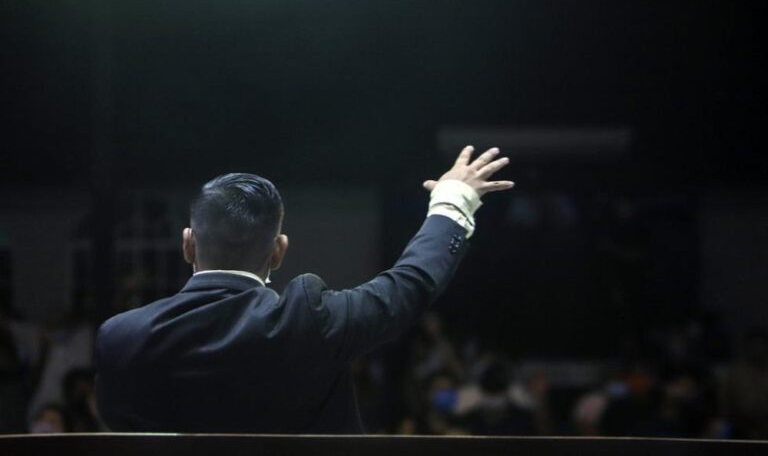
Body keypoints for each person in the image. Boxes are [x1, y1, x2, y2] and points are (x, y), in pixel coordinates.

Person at [94, 146, 514, 433]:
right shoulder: (309, 320)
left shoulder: (121, 337)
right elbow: (410, 285)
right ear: (279, 251)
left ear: (188, 243)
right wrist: (453, 201)